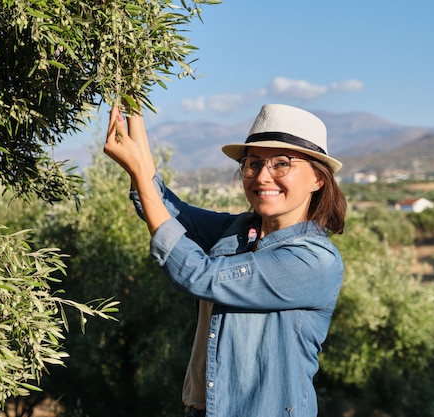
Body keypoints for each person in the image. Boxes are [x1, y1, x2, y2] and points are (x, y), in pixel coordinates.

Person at [104, 103, 347, 417]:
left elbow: (198, 274)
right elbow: (162, 205)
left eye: (282, 164)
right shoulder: (237, 231)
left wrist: (138, 169)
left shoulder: (313, 261)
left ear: (318, 179)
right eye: (253, 163)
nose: (263, 176)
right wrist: (135, 114)